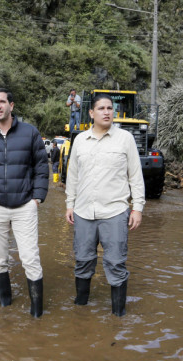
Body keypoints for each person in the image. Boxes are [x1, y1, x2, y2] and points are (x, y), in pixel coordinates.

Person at [0, 88, 49, 317]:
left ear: (11, 106)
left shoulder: (30, 133)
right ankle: (5, 306)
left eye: (2, 101)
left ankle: (37, 313)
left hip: (25, 205)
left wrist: (37, 198)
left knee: (30, 259)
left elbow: (42, 167)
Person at [64, 93, 145, 317]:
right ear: (91, 113)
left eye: (110, 108)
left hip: (115, 211)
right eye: (101, 108)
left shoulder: (125, 139)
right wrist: (69, 204)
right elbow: (73, 176)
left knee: (116, 263)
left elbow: (135, 176)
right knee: (82, 260)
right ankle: (81, 310)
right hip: (83, 212)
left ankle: (118, 316)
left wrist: (137, 207)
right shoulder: (80, 140)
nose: (107, 112)